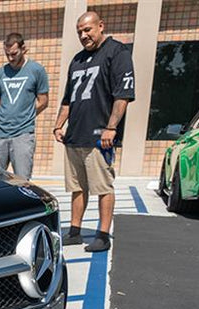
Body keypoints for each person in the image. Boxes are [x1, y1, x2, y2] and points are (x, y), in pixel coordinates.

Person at [52, 11, 135, 253]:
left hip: (100, 136)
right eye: (79, 31)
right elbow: (68, 100)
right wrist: (59, 125)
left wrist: (111, 128)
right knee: (77, 187)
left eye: (87, 30)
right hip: (74, 136)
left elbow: (123, 95)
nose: (83, 35)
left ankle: (102, 234)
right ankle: (75, 232)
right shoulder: (76, 60)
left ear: (101, 26)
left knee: (102, 187)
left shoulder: (116, 52)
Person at [0, 33, 50, 181]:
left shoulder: (36, 70)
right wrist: (5, 114)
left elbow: (43, 101)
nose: (10, 58)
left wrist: (26, 115)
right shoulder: (0, 73)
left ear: (24, 49)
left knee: (22, 181)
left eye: (14, 54)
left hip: (23, 134)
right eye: (7, 54)